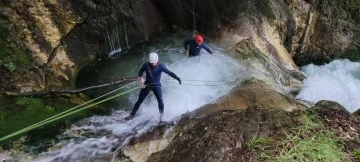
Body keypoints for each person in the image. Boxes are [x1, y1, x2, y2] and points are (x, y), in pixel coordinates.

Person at [125, 52, 181, 121]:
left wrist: (177, 78)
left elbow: (170, 73)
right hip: (147, 85)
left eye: (154, 63)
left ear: (156, 61)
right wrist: (141, 77)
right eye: (151, 63)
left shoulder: (161, 66)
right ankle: (132, 115)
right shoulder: (146, 65)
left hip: (157, 85)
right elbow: (140, 72)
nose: (152, 64)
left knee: (160, 100)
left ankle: (161, 117)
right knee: (140, 100)